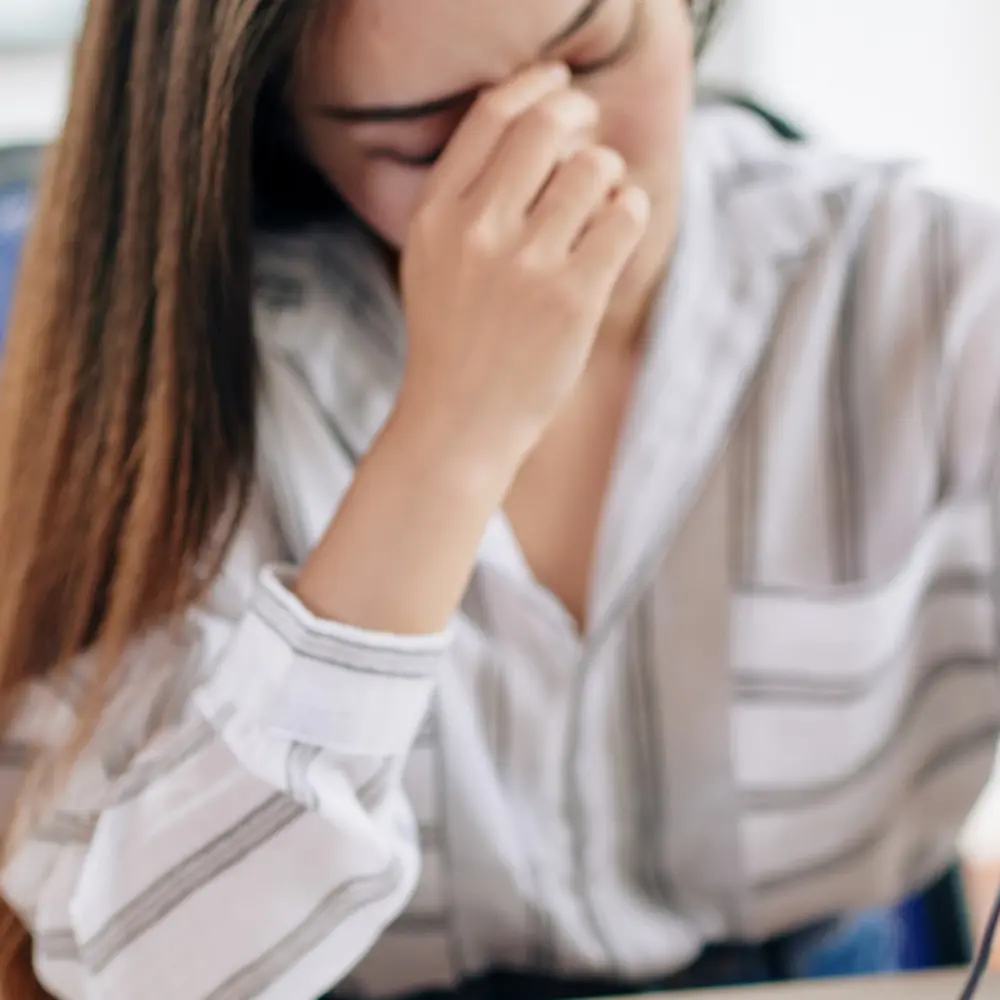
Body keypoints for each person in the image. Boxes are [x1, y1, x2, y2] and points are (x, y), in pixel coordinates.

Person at [0, 0, 998, 997]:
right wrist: (450, 437)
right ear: (284, 132)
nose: (564, 167)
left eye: (597, 52)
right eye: (427, 137)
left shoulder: (933, 291)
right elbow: (132, 972)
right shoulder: (185, 399)